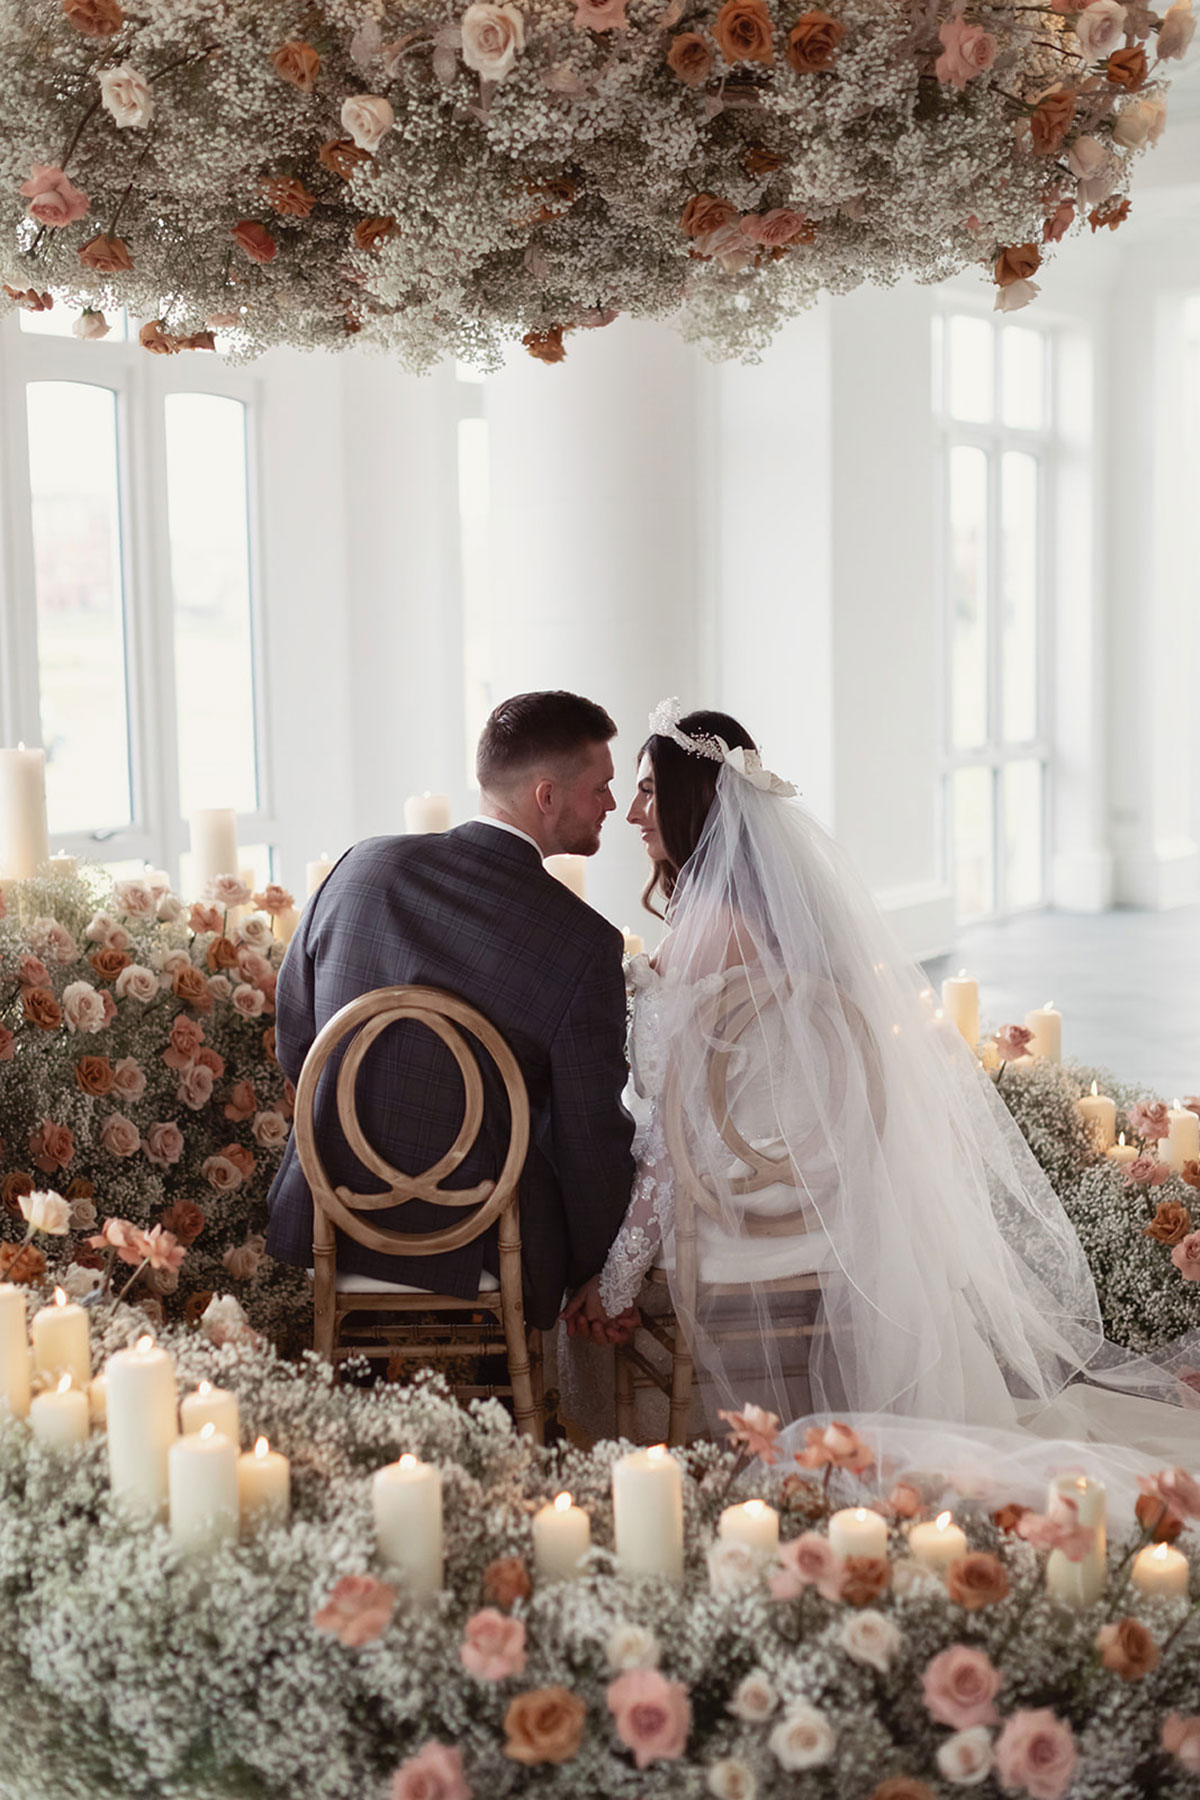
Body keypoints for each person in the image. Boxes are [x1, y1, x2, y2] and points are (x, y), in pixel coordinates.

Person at [563, 701, 1191, 1453]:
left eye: (648, 791)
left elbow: (670, 1150)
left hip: (727, 1218)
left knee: (583, 1200)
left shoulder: (707, 937)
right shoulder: (779, 921)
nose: (632, 812)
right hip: (823, 1207)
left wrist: (616, 1279)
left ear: (695, 800)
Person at [266, 690, 638, 1336]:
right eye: (602, 787)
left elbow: (297, 1041)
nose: (613, 804)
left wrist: (361, 1159)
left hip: (330, 1215)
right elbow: (590, 1141)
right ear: (546, 797)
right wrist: (601, 1272)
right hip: (483, 1244)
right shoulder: (582, 943)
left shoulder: (360, 867)